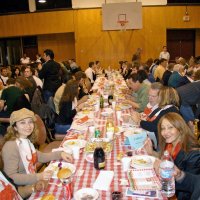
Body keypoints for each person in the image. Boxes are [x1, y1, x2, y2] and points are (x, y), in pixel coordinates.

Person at [2, 108, 73, 198]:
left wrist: (60, 154)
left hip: (34, 184)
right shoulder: (10, 146)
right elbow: (11, 177)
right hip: (21, 192)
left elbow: (41, 156)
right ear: (15, 127)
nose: (28, 126)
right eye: (22, 122)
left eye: (30, 122)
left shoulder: (25, 140)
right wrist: (39, 176)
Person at [144, 113, 200, 199]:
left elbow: (189, 187)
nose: (165, 132)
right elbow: (166, 161)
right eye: (163, 128)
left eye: (170, 127)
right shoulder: (170, 144)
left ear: (180, 129)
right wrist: (152, 153)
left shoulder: (194, 154)